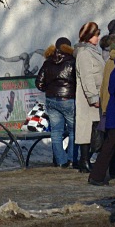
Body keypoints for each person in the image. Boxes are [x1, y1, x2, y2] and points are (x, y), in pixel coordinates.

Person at [89, 20, 115, 186]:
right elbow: (113, 87)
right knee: (110, 144)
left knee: (112, 143)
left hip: (112, 110)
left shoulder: (111, 62)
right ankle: (97, 175)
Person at [35, 36, 77, 168]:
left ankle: (60, 161)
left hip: (51, 99)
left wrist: (49, 89)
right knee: (73, 131)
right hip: (68, 99)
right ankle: (72, 158)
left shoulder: (48, 62)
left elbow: (39, 83)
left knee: (56, 132)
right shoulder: (72, 61)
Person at [74, 21, 105, 172]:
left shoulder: (92, 51)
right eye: (95, 35)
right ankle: (84, 161)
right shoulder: (84, 53)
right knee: (87, 130)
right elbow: (87, 77)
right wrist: (93, 98)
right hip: (88, 99)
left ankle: (86, 160)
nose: (98, 38)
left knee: (93, 130)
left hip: (95, 96)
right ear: (88, 36)